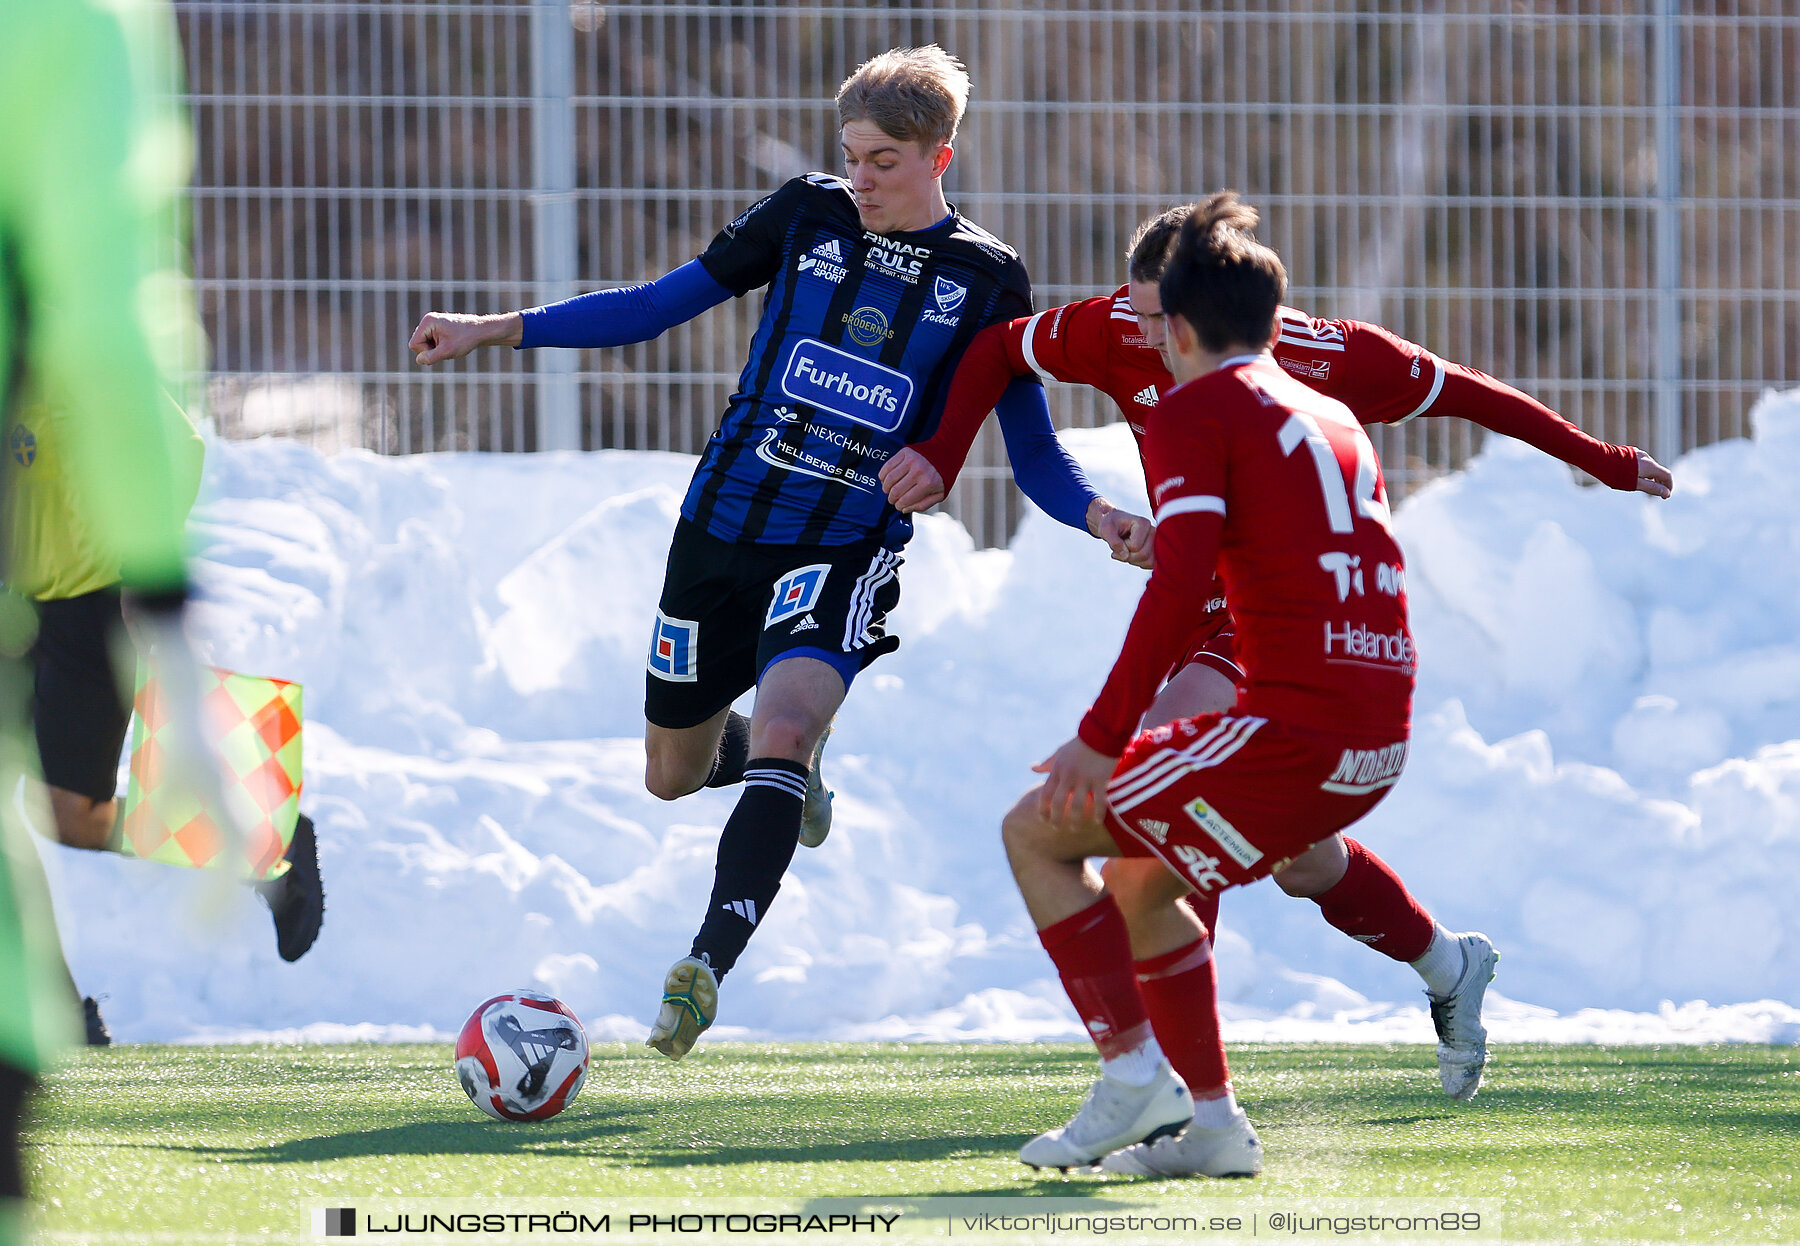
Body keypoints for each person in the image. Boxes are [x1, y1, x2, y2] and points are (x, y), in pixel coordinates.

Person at [410, 46, 1147, 1061]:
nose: (863, 176)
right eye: (852, 153)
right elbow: (658, 305)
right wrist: (499, 328)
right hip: (720, 527)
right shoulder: (804, 213)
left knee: (790, 732)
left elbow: (1029, 446)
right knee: (672, 772)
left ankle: (704, 963)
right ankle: (776, 771)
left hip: (842, 547)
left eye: (885, 158)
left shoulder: (986, 277)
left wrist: (1102, 514)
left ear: (943, 154)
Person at [883, 203, 1675, 1103]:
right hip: (1207, 610)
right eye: (1137, 316)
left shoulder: (1329, 359)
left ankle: (1180, 1082)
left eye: (1161, 319)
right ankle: (1447, 964)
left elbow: (1466, 390)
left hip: (1272, 624)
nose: (1147, 338)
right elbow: (995, 351)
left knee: (1159, 790)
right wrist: (943, 455)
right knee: (1301, 857)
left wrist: (1598, 458)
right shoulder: (1113, 330)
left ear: (1202, 307)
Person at [1001, 191, 1421, 1178]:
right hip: (1376, 739)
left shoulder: (1199, 408)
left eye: (1154, 327)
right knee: (1146, 880)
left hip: (1291, 735)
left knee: (1034, 829)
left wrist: (1102, 734)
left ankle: (1134, 1070)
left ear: (1179, 328)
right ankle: (1217, 1126)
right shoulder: (1332, 415)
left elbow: (1180, 581)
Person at [0, 0, 228, 1236]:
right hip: (57, 581)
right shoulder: (72, 31)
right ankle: (57, 999)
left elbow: (131, 391)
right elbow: (111, 324)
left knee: (71, 818)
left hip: (69, 587)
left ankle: (268, 831)